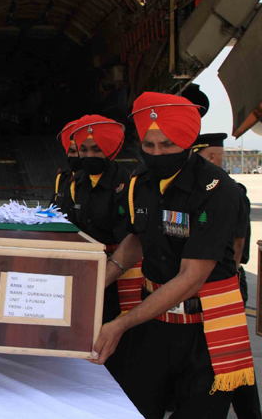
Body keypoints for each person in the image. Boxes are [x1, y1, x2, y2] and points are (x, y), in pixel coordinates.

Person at [91, 92, 252, 418]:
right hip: (154, 322)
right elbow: (137, 238)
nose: (156, 154)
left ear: (188, 140)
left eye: (167, 145)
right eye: (149, 146)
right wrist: (96, 282)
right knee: (133, 407)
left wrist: (120, 323)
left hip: (206, 329)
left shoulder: (217, 190)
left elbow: (192, 277)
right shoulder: (141, 180)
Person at [193, 132, 261, 419]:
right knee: (224, 357)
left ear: (208, 157)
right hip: (212, 283)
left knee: (229, 357)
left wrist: (226, 286)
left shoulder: (229, 190)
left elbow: (237, 246)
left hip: (223, 286)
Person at [68, 115, 130, 324]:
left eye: (96, 149)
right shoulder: (76, 182)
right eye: (83, 150)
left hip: (120, 269)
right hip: (84, 266)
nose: (89, 155)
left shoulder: (126, 183)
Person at [51, 118, 80, 217]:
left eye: (79, 151)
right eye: (71, 151)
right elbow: (53, 209)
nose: (75, 156)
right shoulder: (62, 178)